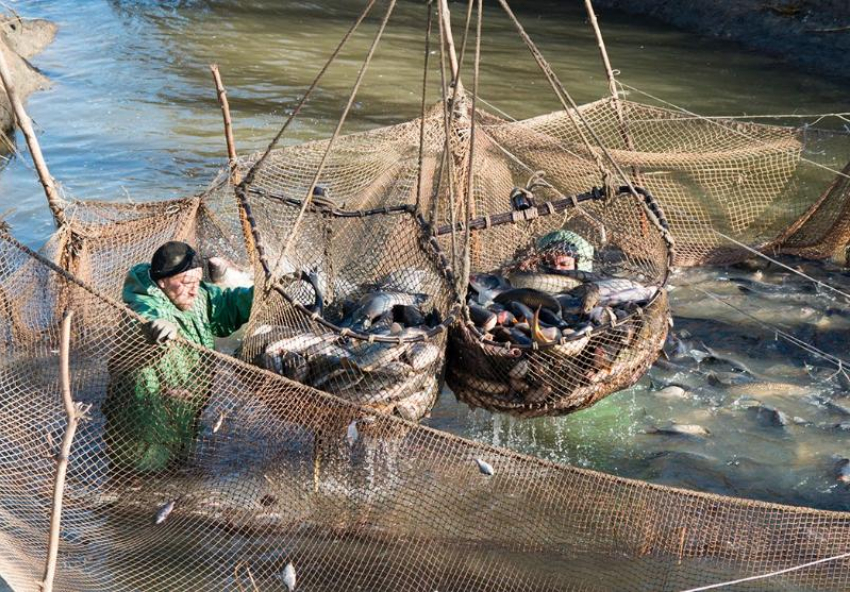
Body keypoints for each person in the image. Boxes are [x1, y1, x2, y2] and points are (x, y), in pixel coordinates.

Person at [103, 241, 254, 473]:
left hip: (181, 413)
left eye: (197, 281)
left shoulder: (198, 296)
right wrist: (154, 327)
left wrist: (258, 294)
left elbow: (228, 306)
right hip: (144, 424)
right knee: (139, 478)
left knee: (181, 475)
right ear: (163, 282)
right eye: (185, 283)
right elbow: (140, 322)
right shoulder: (145, 303)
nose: (193, 290)